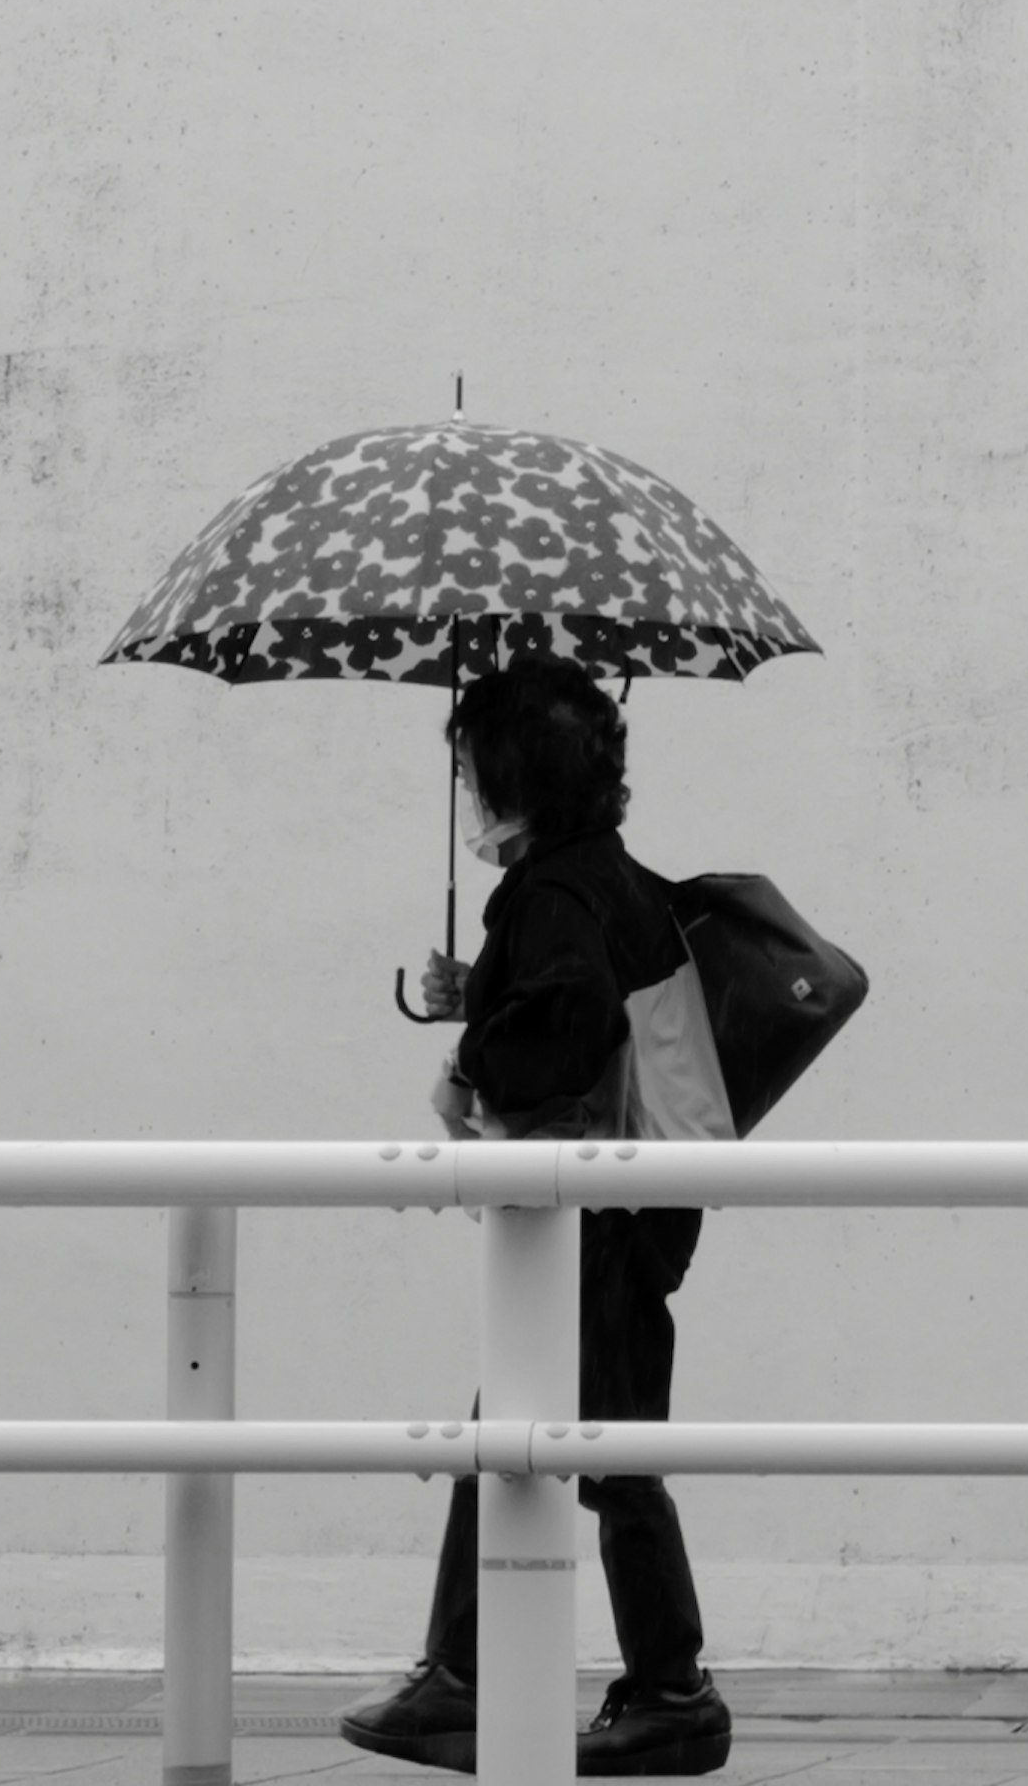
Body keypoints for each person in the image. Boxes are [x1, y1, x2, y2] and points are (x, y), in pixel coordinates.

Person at [336, 654, 735, 1780]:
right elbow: (583, 1002)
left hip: (596, 1210)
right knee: (532, 1437)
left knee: (589, 1449)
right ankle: (492, 1674)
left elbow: (559, 1031)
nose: (467, 792)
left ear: (513, 778)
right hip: (631, 1202)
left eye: (472, 768)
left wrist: (472, 1045)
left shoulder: (552, 893)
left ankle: (652, 1692)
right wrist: (486, 987)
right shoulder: (600, 876)